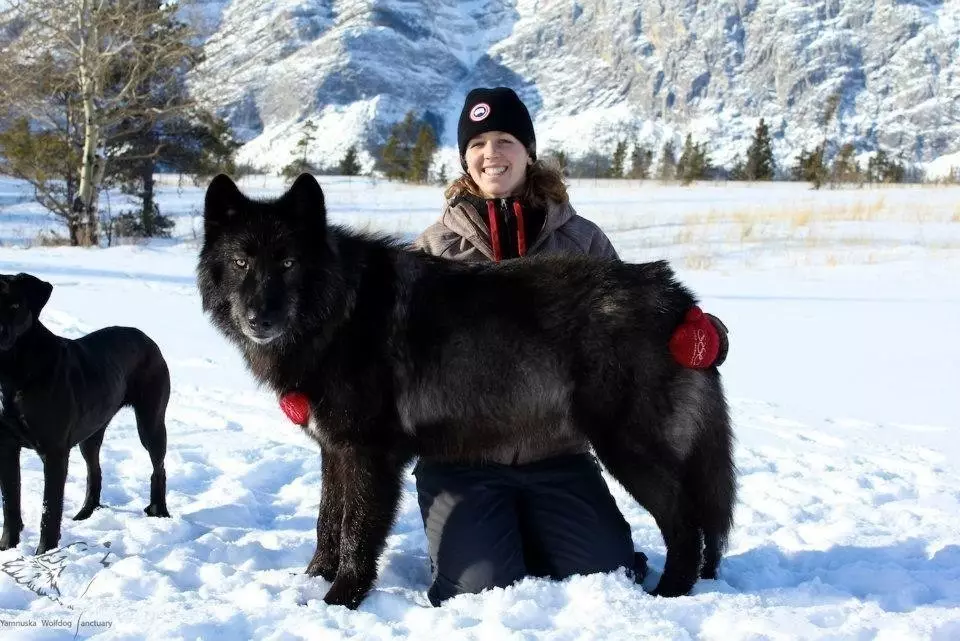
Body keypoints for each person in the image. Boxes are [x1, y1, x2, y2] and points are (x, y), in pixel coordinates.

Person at [409, 87, 730, 606]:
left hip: (556, 454)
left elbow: (633, 318)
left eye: (506, 140)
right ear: (465, 159)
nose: (493, 153)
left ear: (529, 151)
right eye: (479, 143)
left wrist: (704, 334)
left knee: (605, 571)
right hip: (463, 461)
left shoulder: (580, 241)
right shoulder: (432, 250)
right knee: (480, 590)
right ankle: (475, 536)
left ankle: (534, 525)